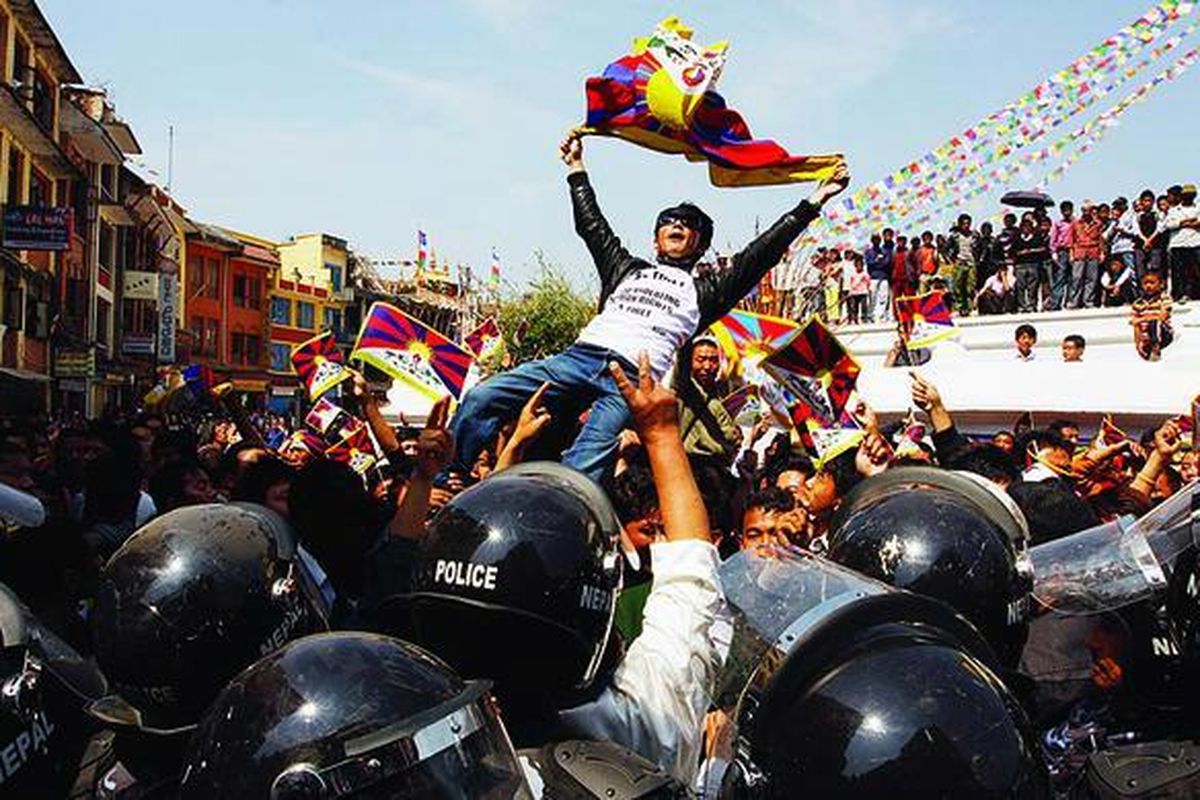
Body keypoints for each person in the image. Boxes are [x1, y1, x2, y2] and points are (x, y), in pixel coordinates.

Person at [386, 352, 725, 785]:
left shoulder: (405, 748)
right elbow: (690, 578)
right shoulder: (642, 724)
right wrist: (661, 435)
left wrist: (425, 480)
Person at [446, 131, 848, 483]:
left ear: (701, 244)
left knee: (587, 461)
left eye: (688, 224)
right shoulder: (626, 270)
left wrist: (816, 199)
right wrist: (576, 168)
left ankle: (567, 515)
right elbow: (592, 227)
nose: (677, 225)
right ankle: (451, 476)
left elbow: (763, 252)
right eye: (668, 221)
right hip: (575, 360)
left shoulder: (706, 290)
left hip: (626, 383)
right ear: (655, 238)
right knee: (482, 399)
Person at [1162, 182, 1200, 301]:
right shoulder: (1174, 210)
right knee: (1178, 272)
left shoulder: (1198, 208)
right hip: (1178, 243)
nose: (1189, 197)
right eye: (1187, 194)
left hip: (1195, 242)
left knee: (1195, 271)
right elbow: (1168, 224)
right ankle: (1179, 294)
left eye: (1191, 195)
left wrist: (1184, 223)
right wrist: (1184, 223)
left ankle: (1195, 294)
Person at [1130, 270, 1174, 361]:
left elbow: (1161, 317)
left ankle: (1155, 347)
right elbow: (1135, 324)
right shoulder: (1138, 303)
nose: (1148, 286)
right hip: (1146, 336)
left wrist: (1143, 319)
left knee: (1153, 323)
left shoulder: (1164, 299)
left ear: (1161, 284)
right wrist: (1138, 344)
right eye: (1145, 283)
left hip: (1163, 334)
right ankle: (1149, 347)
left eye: (1152, 283)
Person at [1068, 201, 1105, 308]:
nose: (1085, 212)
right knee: (1076, 278)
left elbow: (1100, 240)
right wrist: (1071, 254)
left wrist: (1102, 253)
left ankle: (1088, 301)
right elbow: (1072, 240)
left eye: (1087, 210)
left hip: (1093, 252)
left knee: (1091, 278)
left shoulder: (1098, 224)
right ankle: (1074, 301)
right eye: (1083, 210)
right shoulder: (1075, 223)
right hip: (1079, 251)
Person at [1012, 214, 1049, 313]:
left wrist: (1031, 250)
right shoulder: (1017, 239)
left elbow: (1044, 249)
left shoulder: (1037, 237)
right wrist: (1020, 253)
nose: (1026, 229)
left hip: (1033, 264)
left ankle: (1032, 305)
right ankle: (1021, 306)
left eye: (1028, 227)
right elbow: (1013, 252)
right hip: (1020, 266)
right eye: (1024, 227)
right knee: (1020, 287)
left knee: (1032, 287)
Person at [946, 214, 978, 315]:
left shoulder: (975, 235)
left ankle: (969, 307)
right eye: (964, 223)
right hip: (959, 262)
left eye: (968, 223)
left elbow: (981, 247)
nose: (966, 225)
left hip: (971, 262)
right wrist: (951, 260)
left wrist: (977, 259)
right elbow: (945, 249)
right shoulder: (955, 236)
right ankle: (959, 307)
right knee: (958, 286)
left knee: (970, 286)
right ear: (960, 224)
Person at [1049, 200, 1074, 311]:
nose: (1067, 212)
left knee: (1073, 278)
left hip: (1073, 251)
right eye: (1065, 210)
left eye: (1069, 210)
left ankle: (1069, 301)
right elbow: (1053, 238)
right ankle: (1056, 302)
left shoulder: (1076, 222)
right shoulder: (1058, 223)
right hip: (1062, 251)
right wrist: (1054, 252)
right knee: (1060, 277)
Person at [864, 231, 893, 322]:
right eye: (874, 239)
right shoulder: (868, 251)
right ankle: (871, 315)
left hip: (884, 277)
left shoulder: (884, 251)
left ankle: (881, 316)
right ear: (872, 240)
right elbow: (869, 263)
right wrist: (877, 261)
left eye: (878, 239)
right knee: (872, 296)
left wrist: (877, 263)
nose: (876, 241)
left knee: (883, 297)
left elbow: (887, 263)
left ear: (880, 240)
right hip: (873, 277)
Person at [845, 253, 870, 324]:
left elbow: (868, 282)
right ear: (855, 266)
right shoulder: (853, 274)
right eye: (857, 265)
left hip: (863, 292)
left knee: (864, 306)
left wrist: (868, 289)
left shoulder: (865, 274)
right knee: (854, 307)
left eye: (860, 265)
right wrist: (850, 290)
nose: (859, 267)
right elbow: (851, 282)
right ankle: (855, 318)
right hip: (854, 292)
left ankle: (864, 318)